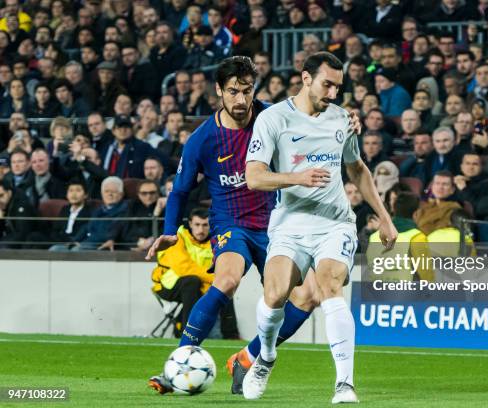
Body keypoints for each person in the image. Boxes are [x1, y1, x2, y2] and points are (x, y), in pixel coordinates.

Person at [145, 56, 362, 396]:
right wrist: (171, 230)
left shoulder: (274, 117)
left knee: (309, 297)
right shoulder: (203, 139)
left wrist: (349, 122)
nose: (241, 100)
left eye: (247, 91)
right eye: (233, 91)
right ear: (219, 91)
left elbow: (318, 118)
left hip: (278, 223)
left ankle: (248, 357)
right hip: (231, 222)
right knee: (228, 279)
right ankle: (176, 365)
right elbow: (181, 189)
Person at [241, 51, 397, 404]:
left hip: (335, 223)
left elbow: (356, 169)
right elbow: (253, 176)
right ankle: (265, 357)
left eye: (338, 88)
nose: (333, 94)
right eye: (327, 84)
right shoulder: (273, 119)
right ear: (306, 77)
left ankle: (345, 384)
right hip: (289, 225)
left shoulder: (342, 119)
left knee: (329, 286)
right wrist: (297, 177)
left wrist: (384, 218)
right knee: (275, 294)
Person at [151, 207, 240, 338]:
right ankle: (187, 333)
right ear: (190, 224)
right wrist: (213, 280)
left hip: (198, 284)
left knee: (224, 286)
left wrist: (219, 283)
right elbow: (184, 268)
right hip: (167, 285)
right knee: (192, 281)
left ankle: (231, 335)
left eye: (205, 225)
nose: (201, 229)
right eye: (197, 224)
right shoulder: (176, 236)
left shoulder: (215, 241)